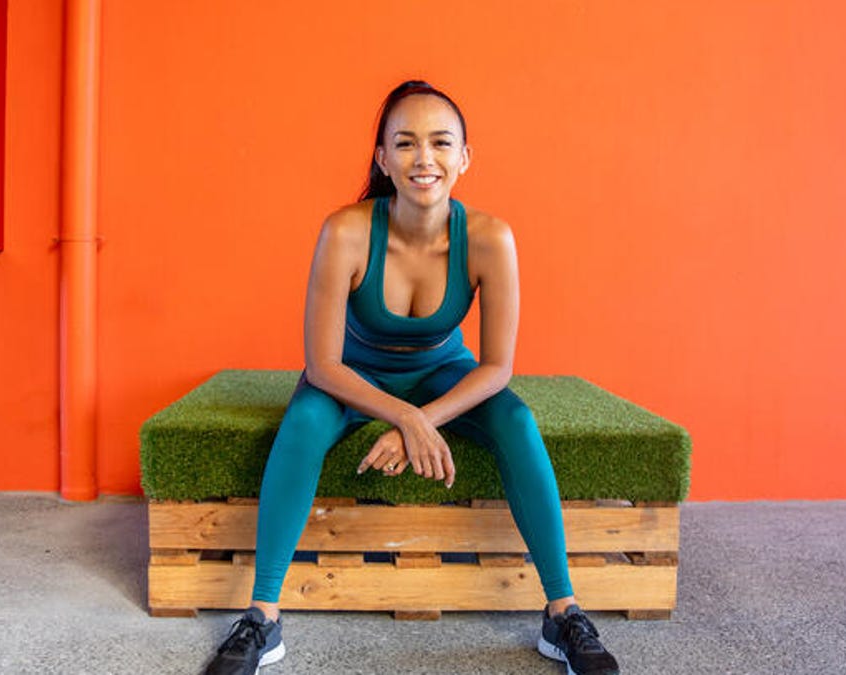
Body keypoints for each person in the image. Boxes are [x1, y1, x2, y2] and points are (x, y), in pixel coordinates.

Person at [201, 80, 620, 675]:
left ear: (465, 157)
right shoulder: (344, 231)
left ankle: (563, 612)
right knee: (301, 421)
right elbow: (322, 364)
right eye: (405, 143)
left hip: (443, 374)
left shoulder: (490, 239)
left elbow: (498, 367)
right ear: (382, 158)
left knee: (518, 420)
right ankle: (262, 619)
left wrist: (421, 419)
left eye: (441, 143)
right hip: (352, 376)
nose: (425, 159)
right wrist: (403, 417)